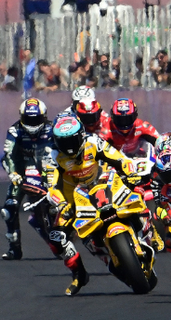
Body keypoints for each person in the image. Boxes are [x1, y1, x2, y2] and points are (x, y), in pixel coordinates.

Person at [44, 115, 142, 296]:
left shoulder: (93, 142)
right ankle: (79, 273)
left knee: (138, 191)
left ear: (81, 135)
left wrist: (130, 171)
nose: (69, 146)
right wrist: (61, 204)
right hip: (72, 200)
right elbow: (52, 187)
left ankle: (148, 232)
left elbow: (119, 158)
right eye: (64, 142)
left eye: (73, 139)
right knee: (56, 239)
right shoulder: (52, 157)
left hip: (101, 184)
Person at [0, 98, 66, 261]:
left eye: (35, 119)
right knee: (9, 209)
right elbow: (7, 156)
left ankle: (63, 241)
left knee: (57, 206)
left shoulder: (53, 129)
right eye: (28, 119)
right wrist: (13, 173)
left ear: (43, 117)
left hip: (48, 174)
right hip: (22, 176)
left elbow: (63, 151)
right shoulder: (15, 131)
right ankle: (14, 249)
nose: (32, 123)